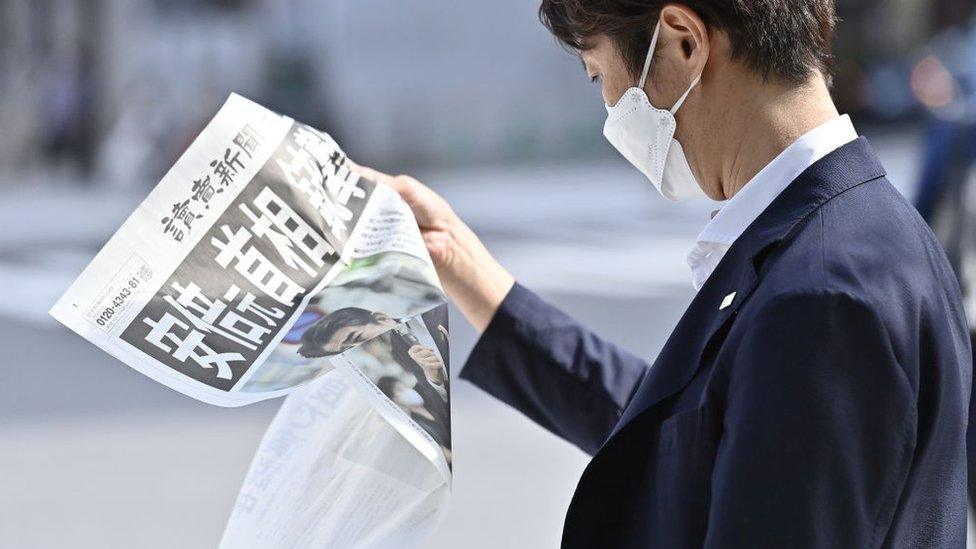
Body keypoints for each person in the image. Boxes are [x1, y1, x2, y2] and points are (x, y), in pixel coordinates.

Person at [355, 1, 973, 546]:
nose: (608, 110)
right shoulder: (860, 232)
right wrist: (462, 264)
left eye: (600, 75)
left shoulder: (819, 301)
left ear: (682, 41)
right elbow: (696, 434)